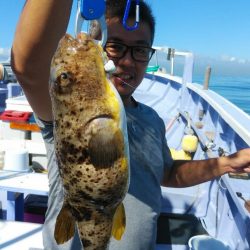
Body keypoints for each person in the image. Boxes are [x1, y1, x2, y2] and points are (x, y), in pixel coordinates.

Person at [11, 0, 250, 249]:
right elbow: (28, 67)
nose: (127, 61)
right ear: (99, 45)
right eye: (115, 46)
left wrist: (225, 163)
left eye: (140, 50)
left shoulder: (152, 120)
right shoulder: (61, 111)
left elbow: (168, 174)